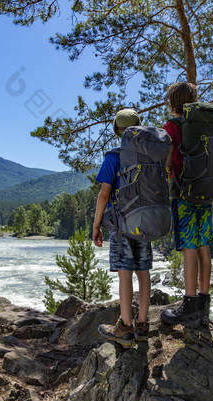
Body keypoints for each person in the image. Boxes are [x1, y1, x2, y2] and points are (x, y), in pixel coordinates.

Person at [93, 108, 152, 348]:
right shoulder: (150, 157)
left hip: (121, 224)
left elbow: (104, 194)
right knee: (144, 272)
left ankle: (125, 328)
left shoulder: (113, 158)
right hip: (146, 222)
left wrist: (96, 225)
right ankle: (143, 325)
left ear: (117, 131)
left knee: (125, 273)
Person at [160, 82, 213, 328]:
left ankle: (188, 304)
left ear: (172, 102)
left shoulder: (171, 126)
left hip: (182, 192)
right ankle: (203, 304)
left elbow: (168, 162)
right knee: (204, 244)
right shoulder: (203, 123)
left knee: (189, 245)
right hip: (205, 190)